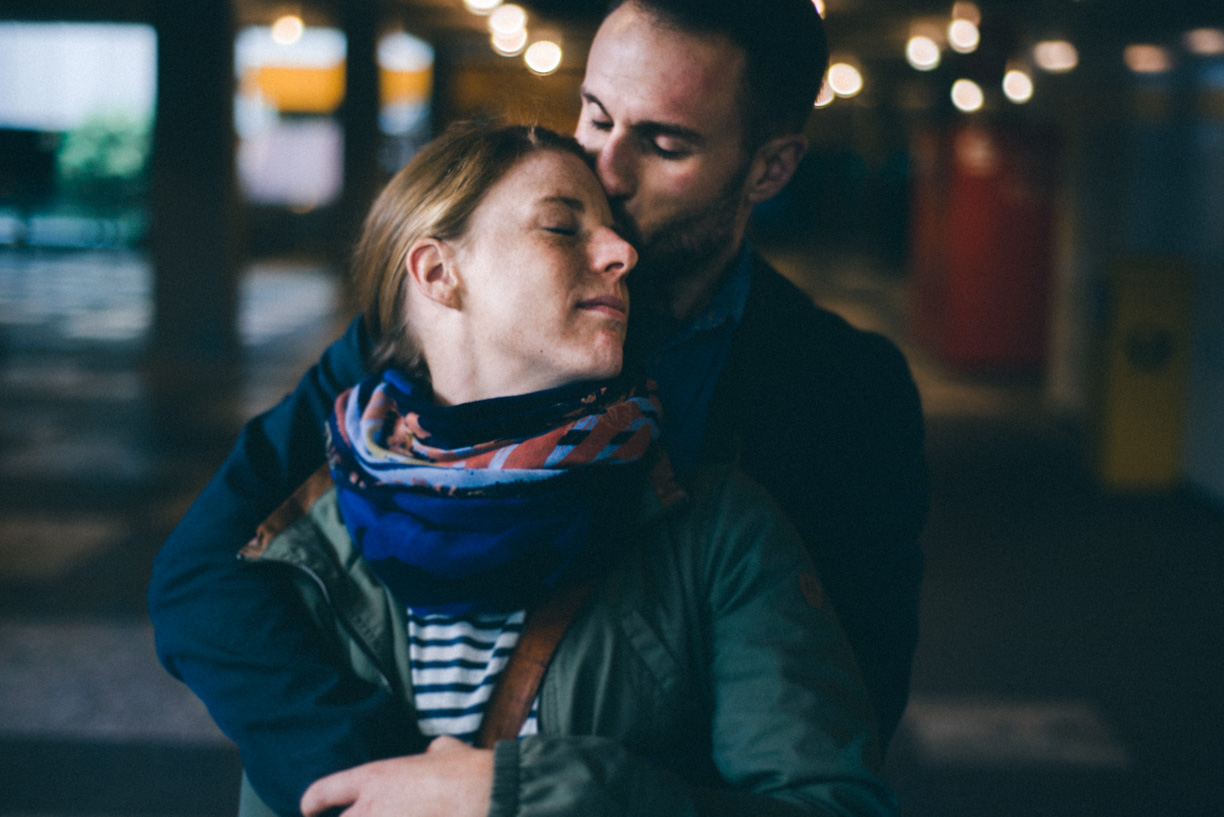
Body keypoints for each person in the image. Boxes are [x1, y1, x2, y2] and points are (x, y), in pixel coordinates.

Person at [150, 0, 927, 809]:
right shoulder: (421, 345)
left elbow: (838, 731)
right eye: (594, 116)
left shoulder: (846, 397)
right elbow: (205, 570)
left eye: (665, 144)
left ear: (769, 168)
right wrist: (374, 781)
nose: (606, 168)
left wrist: (528, 795)